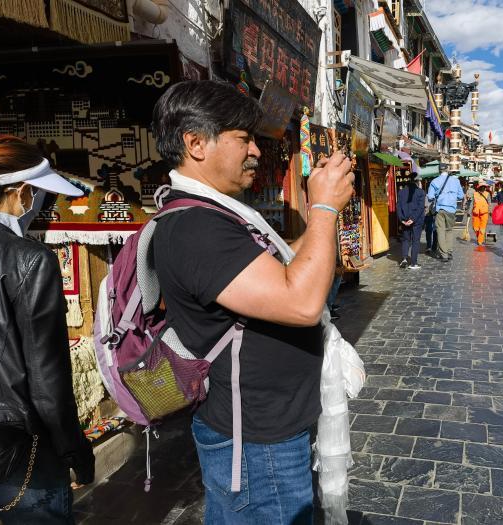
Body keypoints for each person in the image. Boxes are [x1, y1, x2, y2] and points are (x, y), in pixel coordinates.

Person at [149, 80, 355, 524]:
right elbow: (301, 303)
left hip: (264, 429)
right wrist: (324, 209)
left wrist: (320, 226)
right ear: (195, 144)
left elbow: (281, 271)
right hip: (257, 441)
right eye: (243, 139)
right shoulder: (198, 227)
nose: (256, 151)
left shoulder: (216, 213)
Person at [0, 135, 94, 524]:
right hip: (17, 448)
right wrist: (74, 450)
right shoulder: (29, 258)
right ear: (21, 191)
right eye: (36, 193)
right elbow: (47, 380)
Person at [427, 165, 464, 262]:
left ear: (439, 170)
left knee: (440, 231)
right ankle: (449, 251)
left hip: (440, 209)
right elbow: (461, 196)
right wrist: (452, 197)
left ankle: (444, 254)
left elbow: (430, 197)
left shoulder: (434, 181)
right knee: (449, 230)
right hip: (451, 209)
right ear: (447, 170)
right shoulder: (456, 181)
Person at [396, 173, 425, 269]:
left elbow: (398, 207)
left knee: (405, 239)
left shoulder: (401, 192)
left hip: (405, 219)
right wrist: (412, 219)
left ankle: (404, 259)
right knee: (415, 241)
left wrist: (402, 219)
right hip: (416, 220)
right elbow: (420, 208)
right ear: (417, 181)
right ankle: (413, 263)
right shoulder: (420, 192)